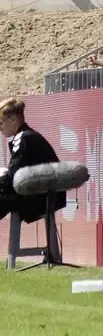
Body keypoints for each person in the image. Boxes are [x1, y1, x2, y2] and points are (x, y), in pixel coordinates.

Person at [3, 97, 73, 268]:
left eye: (0, 122)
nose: (0, 127)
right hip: (42, 193)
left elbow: (13, 176)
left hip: (42, 197)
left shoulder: (24, 139)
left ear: (13, 120)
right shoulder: (25, 137)